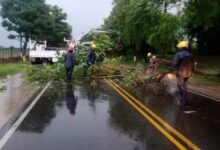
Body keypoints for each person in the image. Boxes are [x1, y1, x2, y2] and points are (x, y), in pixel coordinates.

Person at [170, 41, 194, 106]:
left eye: (179, 47)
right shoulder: (191, 54)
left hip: (180, 73)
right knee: (183, 85)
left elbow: (175, 63)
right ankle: (184, 99)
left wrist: (171, 68)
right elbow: (193, 65)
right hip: (188, 73)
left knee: (181, 86)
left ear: (181, 47)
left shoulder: (178, 54)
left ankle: (183, 102)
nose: (178, 48)